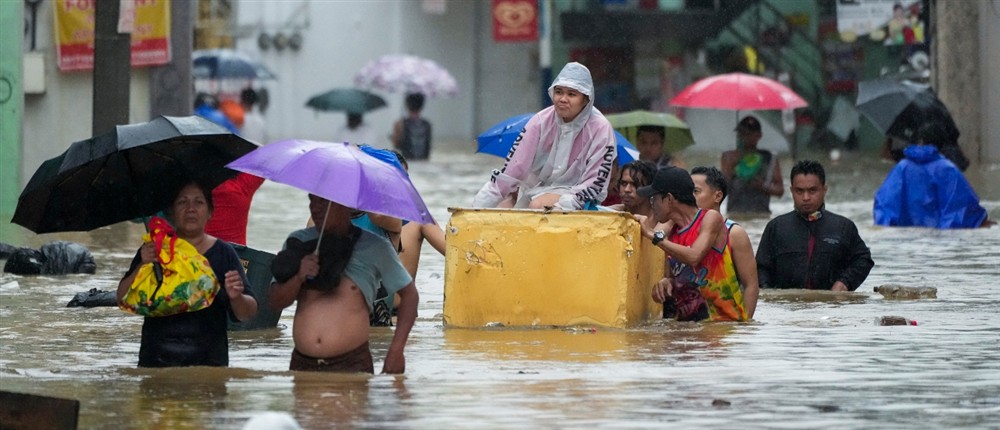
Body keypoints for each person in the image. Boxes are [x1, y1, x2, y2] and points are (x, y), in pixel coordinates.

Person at [268, 195, 418, 374]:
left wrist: (396, 350)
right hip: (302, 364)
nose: (316, 208)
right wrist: (299, 276)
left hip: (351, 364)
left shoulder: (375, 247)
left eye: (325, 203)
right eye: (313, 201)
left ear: (346, 207)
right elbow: (274, 302)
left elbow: (410, 296)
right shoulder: (298, 242)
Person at [116, 181, 258, 367]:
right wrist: (142, 264)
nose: (191, 209)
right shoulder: (155, 249)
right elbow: (121, 299)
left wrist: (237, 297)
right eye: (182, 202)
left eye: (199, 202)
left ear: (210, 213)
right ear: (171, 213)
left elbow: (247, 314)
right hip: (157, 362)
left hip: (208, 365)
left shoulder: (224, 253)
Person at [473, 62, 617, 210]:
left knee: (537, 205)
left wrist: (566, 204)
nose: (563, 99)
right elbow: (513, 169)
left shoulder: (601, 128)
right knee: (502, 208)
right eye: (559, 92)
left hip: (580, 197)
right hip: (537, 191)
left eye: (572, 94)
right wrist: (475, 210)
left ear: (586, 99)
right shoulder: (540, 122)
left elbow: (595, 182)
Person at [635, 166, 748, 322]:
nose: (651, 205)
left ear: (669, 199)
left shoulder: (710, 218)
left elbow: (694, 256)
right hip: (690, 329)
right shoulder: (671, 232)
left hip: (723, 327)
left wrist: (651, 234)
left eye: (654, 198)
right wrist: (666, 283)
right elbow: (681, 276)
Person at [756, 160, 874, 291]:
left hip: (830, 308)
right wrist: (770, 296)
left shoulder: (843, 227)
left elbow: (863, 260)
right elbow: (761, 268)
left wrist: (844, 282)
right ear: (791, 191)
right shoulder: (776, 227)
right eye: (799, 191)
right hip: (788, 307)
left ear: (824, 189)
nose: (806, 197)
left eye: (812, 191)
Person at [873, 124, 990, 229]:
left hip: (904, 242)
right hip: (939, 243)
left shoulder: (901, 167)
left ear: (920, 141)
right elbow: (963, 211)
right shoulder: (948, 169)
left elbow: (884, 206)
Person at [690, 166, 758, 319]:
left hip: (725, 325)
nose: (689, 197)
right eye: (687, 191)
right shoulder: (681, 231)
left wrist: (744, 325)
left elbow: (751, 285)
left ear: (717, 196)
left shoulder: (734, 234)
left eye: (695, 191)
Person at [720, 115, 783, 217]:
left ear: (759, 136)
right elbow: (721, 190)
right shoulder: (728, 156)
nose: (743, 137)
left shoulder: (769, 158)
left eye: (747, 134)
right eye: (740, 134)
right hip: (734, 214)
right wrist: (731, 167)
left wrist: (762, 186)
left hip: (761, 215)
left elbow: (780, 191)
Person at [204, 172, 265, 246]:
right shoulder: (243, 184)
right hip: (236, 252)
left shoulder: (192, 182)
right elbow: (266, 164)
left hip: (192, 251)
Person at [391, 93, 432, 160]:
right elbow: (428, 146)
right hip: (424, 163)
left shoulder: (400, 124)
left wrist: (393, 137)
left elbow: (396, 145)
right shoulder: (427, 124)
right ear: (422, 106)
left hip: (409, 163)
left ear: (407, 105)